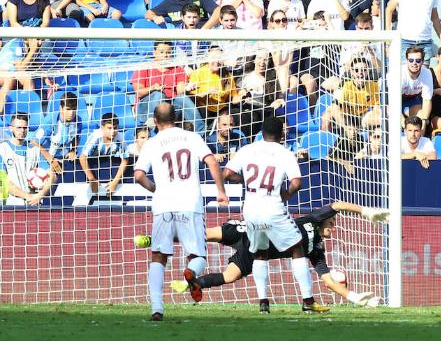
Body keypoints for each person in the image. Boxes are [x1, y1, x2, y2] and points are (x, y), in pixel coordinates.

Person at [136, 201, 388, 307]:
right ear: (325, 223)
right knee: (203, 235)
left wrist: (354, 296)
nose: (334, 226)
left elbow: (328, 280)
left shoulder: (316, 252)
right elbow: (337, 205)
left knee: (229, 277)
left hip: (257, 252)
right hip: (251, 231)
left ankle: (192, 282)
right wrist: (364, 211)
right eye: (332, 224)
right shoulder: (314, 219)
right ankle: (155, 239)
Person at [134, 102, 228, 321]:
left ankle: (157, 310)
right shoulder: (191, 137)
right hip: (190, 204)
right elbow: (212, 161)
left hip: (163, 206)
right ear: (176, 118)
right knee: (198, 255)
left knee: (158, 256)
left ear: (155, 122)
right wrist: (221, 192)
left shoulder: (152, 143)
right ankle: (191, 273)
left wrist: (154, 188)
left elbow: (138, 175)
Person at [222, 116, 327, 313]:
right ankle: (308, 301)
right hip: (272, 207)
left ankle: (263, 303)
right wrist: (286, 194)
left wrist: (245, 181)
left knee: (260, 253)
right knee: (297, 249)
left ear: (262, 132)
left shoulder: (248, 149)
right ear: (281, 134)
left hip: (251, 208)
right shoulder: (284, 152)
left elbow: (226, 173)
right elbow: (297, 182)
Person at [131, 40, 205, 134]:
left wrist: (187, 88)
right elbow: (139, 92)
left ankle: (201, 133)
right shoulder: (144, 68)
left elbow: (180, 91)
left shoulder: (178, 69)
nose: (165, 55)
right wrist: (153, 88)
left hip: (170, 109)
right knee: (159, 95)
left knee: (182, 97)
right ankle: (153, 127)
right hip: (146, 108)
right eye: (162, 52)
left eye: (168, 52)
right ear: (154, 53)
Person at [0, 112, 54, 205]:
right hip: (13, 204)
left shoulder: (35, 149)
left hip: (34, 204)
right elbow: (4, 183)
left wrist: (40, 195)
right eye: (18, 127)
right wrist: (29, 197)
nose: (22, 130)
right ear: (11, 128)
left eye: (25, 128)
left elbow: (52, 176)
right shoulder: (2, 150)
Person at [186, 46, 240, 129]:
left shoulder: (228, 75)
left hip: (222, 110)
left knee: (238, 114)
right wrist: (207, 92)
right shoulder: (198, 73)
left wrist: (242, 97)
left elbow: (234, 96)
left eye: (219, 58)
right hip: (204, 109)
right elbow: (191, 97)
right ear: (207, 58)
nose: (216, 61)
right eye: (213, 58)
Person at [32, 92, 82, 175]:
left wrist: (73, 150)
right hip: (46, 159)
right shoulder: (51, 120)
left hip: (64, 159)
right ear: (61, 108)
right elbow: (34, 141)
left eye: (74, 109)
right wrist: (51, 159)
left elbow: (77, 136)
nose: (72, 113)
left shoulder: (78, 120)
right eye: (68, 109)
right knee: (51, 179)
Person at [79, 113, 129, 196]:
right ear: (102, 127)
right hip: (92, 166)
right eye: (109, 128)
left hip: (108, 166)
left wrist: (115, 182)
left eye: (115, 128)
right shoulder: (96, 137)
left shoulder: (120, 139)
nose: (113, 131)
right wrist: (92, 179)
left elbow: (125, 160)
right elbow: (82, 157)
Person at [400, 46, 433, 120]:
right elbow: (393, 103)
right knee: (387, 118)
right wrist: (402, 122)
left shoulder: (427, 73)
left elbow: (427, 100)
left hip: (411, 99)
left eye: (418, 60)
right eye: (411, 60)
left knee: (421, 118)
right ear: (406, 61)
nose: (414, 63)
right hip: (392, 99)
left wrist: (424, 121)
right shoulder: (400, 73)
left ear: (422, 61)